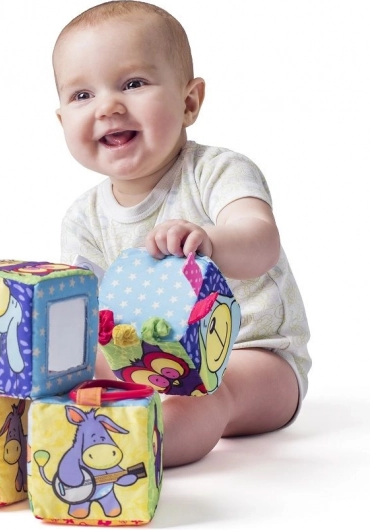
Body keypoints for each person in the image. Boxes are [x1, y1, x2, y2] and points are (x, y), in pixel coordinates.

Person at [54, 0, 311, 468]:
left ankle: (128, 460)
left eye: (133, 84)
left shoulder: (216, 171)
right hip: (145, 361)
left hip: (255, 359)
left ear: (189, 102)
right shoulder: (82, 217)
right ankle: (56, 444)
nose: (108, 107)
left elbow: (261, 240)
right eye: (82, 95)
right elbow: (86, 313)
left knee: (207, 391)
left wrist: (210, 241)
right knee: (73, 367)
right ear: (62, 121)